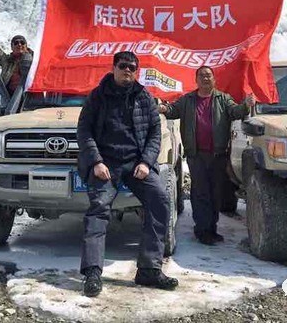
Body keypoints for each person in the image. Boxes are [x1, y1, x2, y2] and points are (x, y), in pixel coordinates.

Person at [77, 51, 178, 297]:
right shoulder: (98, 96)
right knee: (99, 209)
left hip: (135, 164)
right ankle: (92, 273)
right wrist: (96, 162)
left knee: (160, 200)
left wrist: (146, 162)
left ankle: (149, 270)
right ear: (113, 68)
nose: (127, 71)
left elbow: (155, 132)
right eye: (123, 66)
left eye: (132, 67)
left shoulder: (144, 97)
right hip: (106, 164)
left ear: (137, 71)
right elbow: (84, 131)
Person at [159, 66, 255, 245]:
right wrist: (163, 108)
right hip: (196, 155)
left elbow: (235, 112)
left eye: (208, 76)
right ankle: (202, 230)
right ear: (196, 80)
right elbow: (173, 110)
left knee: (215, 192)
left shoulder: (223, 99)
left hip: (218, 155)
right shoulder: (187, 100)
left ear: (214, 79)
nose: (205, 79)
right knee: (201, 192)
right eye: (201, 76)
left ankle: (212, 228)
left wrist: (246, 106)